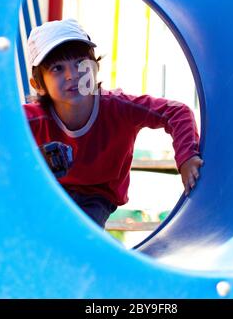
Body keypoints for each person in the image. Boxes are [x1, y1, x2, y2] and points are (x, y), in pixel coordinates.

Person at [24, 18, 203, 228]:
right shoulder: (32, 119)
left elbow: (176, 112)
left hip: (98, 194)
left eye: (80, 63)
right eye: (57, 68)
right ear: (39, 85)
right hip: (50, 189)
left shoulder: (119, 108)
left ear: (95, 68)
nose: (72, 75)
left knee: (78, 230)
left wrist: (187, 157)